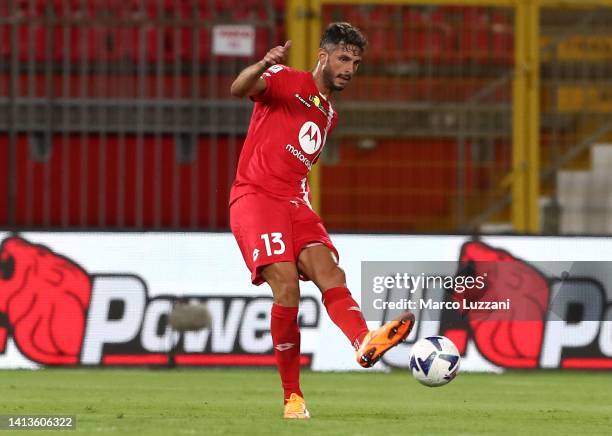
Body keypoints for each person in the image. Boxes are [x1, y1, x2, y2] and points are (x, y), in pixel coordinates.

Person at [229, 22, 414, 419]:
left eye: (356, 62)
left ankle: (364, 341)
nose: (350, 68)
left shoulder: (329, 114)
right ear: (323, 56)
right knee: (287, 288)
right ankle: (292, 397)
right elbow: (240, 89)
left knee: (331, 273)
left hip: (295, 202)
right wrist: (262, 63)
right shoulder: (286, 80)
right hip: (257, 197)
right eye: (344, 59)